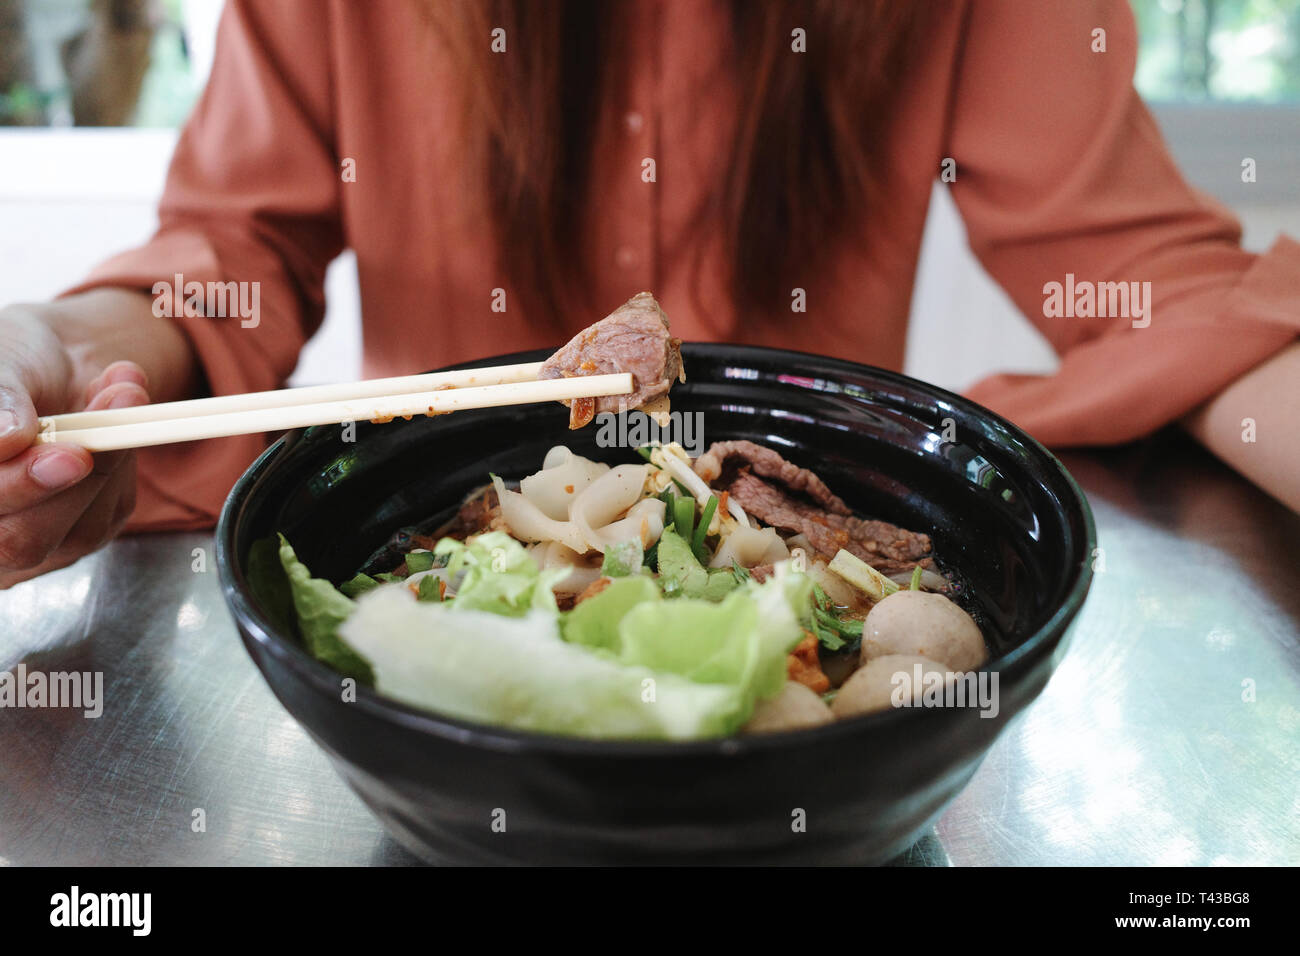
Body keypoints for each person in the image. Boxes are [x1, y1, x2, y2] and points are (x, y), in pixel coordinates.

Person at [0, 0, 1296, 588]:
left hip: (801, 619)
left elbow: (1150, 285)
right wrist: (61, 347)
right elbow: (227, 257)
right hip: (440, 610)